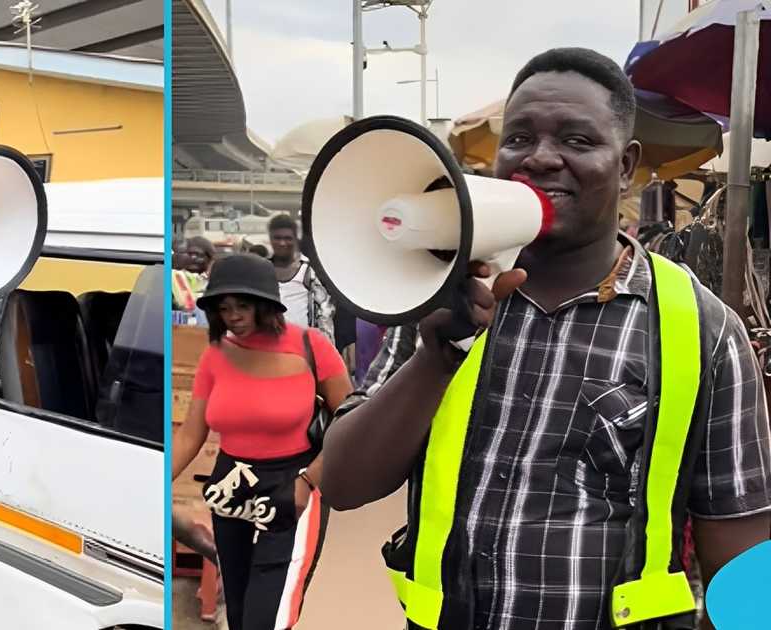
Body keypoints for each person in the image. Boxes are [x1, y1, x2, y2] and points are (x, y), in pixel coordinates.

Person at [322, 48, 771, 630]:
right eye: (519, 138)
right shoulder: (443, 297)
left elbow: (742, 553)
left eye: (578, 141)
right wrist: (436, 357)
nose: (539, 158)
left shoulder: (702, 330)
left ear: (627, 164)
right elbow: (343, 482)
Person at [172, 253, 353, 630]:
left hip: (293, 484)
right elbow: (192, 432)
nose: (232, 315)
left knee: (267, 616)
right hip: (231, 486)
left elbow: (349, 421)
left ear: (266, 304)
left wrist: (307, 482)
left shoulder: (311, 346)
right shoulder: (215, 356)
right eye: (223, 307)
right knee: (238, 610)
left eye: (242, 305)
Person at [267, 214, 334, 342]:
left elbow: (325, 312)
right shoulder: (262, 270)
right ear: (270, 239)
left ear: (295, 239)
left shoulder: (308, 271)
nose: (282, 243)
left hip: (301, 345)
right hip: (269, 344)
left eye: (288, 238)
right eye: (277, 238)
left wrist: (324, 347)